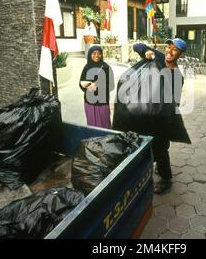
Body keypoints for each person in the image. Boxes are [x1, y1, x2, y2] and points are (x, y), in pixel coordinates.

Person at [129, 38, 190, 195]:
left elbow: (172, 102)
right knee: (148, 144)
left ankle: (166, 179)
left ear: (181, 55)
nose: (170, 51)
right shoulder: (159, 57)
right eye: (169, 47)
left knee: (161, 148)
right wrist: (145, 52)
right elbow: (137, 45)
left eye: (175, 49)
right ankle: (154, 166)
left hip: (162, 117)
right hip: (146, 112)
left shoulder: (177, 76)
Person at [79, 45, 114, 129]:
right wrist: (86, 86)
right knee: (91, 125)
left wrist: (98, 88)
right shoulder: (87, 67)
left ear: (101, 54)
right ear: (89, 55)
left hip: (102, 102)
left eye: (98, 53)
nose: (96, 55)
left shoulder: (106, 68)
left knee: (104, 125)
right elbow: (81, 82)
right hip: (89, 103)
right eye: (93, 53)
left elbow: (111, 85)